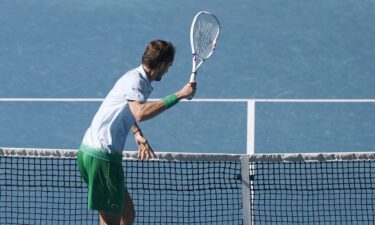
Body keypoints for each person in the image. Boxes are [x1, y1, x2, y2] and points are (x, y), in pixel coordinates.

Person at [77, 40, 197, 225]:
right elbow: (139, 112)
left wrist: (137, 133)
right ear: (163, 64)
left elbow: (125, 110)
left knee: (128, 214)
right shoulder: (135, 81)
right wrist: (179, 95)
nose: (168, 71)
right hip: (102, 156)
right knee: (110, 222)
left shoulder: (137, 79)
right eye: (169, 66)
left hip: (95, 153)